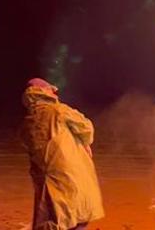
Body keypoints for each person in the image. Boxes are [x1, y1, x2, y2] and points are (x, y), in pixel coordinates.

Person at [20, 78, 104, 230]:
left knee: (53, 218)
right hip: (69, 176)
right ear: (44, 92)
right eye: (52, 90)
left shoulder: (28, 123)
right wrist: (85, 143)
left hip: (45, 180)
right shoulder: (59, 111)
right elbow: (87, 128)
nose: (55, 93)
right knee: (78, 215)